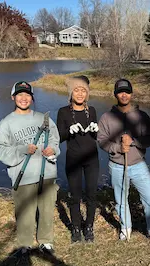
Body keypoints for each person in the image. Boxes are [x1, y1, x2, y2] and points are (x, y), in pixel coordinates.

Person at [0, 81, 60, 257]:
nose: (24, 98)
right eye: (20, 95)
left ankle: (46, 241)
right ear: (13, 97)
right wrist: (22, 150)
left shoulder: (43, 118)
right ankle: (25, 244)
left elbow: (54, 138)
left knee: (46, 210)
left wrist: (53, 149)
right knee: (25, 212)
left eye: (27, 95)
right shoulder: (6, 123)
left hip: (47, 173)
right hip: (23, 176)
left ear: (32, 98)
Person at [97, 79, 150, 245]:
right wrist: (119, 147)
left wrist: (133, 141)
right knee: (121, 200)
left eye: (127, 91)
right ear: (115, 94)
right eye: (120, 92)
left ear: (131, 94)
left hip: (139, 165)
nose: (124, 95)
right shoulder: (106, 117)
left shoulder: (141, 116)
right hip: (117, 166)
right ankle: (125, 228)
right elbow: (102, 141)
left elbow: (149, 139)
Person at [56, 76, 99, 243]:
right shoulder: (63, 112)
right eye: (76, 90)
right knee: (74, 195)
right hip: (73, 159)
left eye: (83, 90)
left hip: (92, 159)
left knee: (91, 194)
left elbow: (95, 136)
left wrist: (96, 129)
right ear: (71, 93)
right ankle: (75, 227)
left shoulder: (92, 110)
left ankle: (88, 226)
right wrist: (69, 130)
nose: (80, 94)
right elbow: (59, 137)